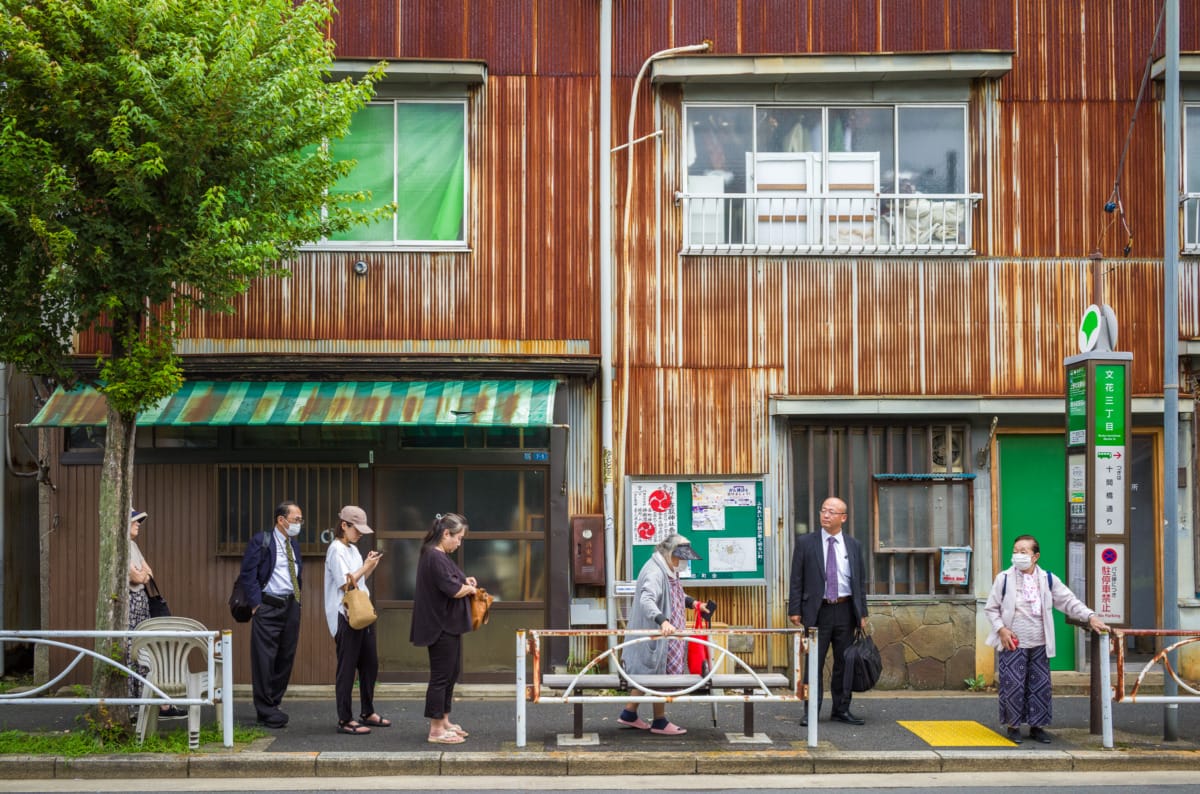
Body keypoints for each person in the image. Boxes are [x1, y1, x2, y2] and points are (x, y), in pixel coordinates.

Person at [984, 534, 1109, 744]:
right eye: (1015, 551)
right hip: (1013, 643)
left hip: (1040, 643)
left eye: (1023, 552)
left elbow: (1069, 601)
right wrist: (1002, 630)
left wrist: (1090, 616)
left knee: (1040, 686)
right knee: (1012, 685)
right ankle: (1013, 726)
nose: (1017, 555)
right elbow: (991, 609)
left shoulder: (1048, 579)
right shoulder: (1004, 578)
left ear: (1035, 556)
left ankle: (1037, 727)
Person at [617, 533, 710, 736]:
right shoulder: (655, 572)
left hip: (661, 636)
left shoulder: (668, 569)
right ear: (669, 553)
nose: (683, 562)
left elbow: (675, 594)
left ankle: (629, 713)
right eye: (681, 558)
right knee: (657, 675)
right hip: (655, 636)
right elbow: (647, 600)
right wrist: (663, 621)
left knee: (647, 673)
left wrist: (694, 603)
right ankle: (659, 721)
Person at [787, 496, 869, 727]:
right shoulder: (806, 543)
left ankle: (841, 709)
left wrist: (862, 612)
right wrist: (795, 609)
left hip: (845, 610)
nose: (825, 515)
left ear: (842, 517)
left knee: (844, 663)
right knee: (814, 662)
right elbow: (796, 579)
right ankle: (811, 710)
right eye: (823, 510)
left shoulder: (853, 545)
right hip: (817, 611)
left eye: (831, 512)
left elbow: (860, 581)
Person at [410, 512, 477, 744]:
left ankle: (444, 720)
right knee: (441, 677)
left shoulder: (438, 555)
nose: (459, 543)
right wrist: (468, 589)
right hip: (440, 625)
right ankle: (436, 730)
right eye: (458, 538)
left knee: (450, 674)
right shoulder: (434, 556)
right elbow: (452, 589)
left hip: (447, 624)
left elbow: (453, 582)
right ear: (445, 534)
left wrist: (465, 582)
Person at [237, 500, 305, 728]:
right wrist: (256, 605)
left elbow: (296, 574)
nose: (299, 524)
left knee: (286, 657)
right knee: (264, 659)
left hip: (291, 605)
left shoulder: (293, 544)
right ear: (281, 520)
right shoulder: (262, 540)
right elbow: (248, 574)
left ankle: (274, 704)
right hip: (268, 605)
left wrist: (298, 600)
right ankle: (265, 708)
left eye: (300, 520)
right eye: (296, 520)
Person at [324, 505, 385, 735]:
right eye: (356, 529)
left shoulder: (352, 550)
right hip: (344, 615)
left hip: (361, 612)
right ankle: (345, 719)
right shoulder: (336, 550)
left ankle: (367, 712)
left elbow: (358, 581)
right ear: (344, 525)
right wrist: (365, 567)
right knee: (347, 669)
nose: (359, 533)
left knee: (370, 664)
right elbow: (345, 584)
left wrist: (369, 566)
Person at [126, 508, 186, 719]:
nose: (138, 523)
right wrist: (139, 574)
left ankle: (157, 705)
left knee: (146, 653)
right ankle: (134, 707)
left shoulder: (133, 546)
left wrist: (140, 573)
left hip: (142, 606)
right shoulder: (121, 546)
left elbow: (147, 574)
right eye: (135, 520)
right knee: (131, 654)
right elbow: (136, 577)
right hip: (129, 607)